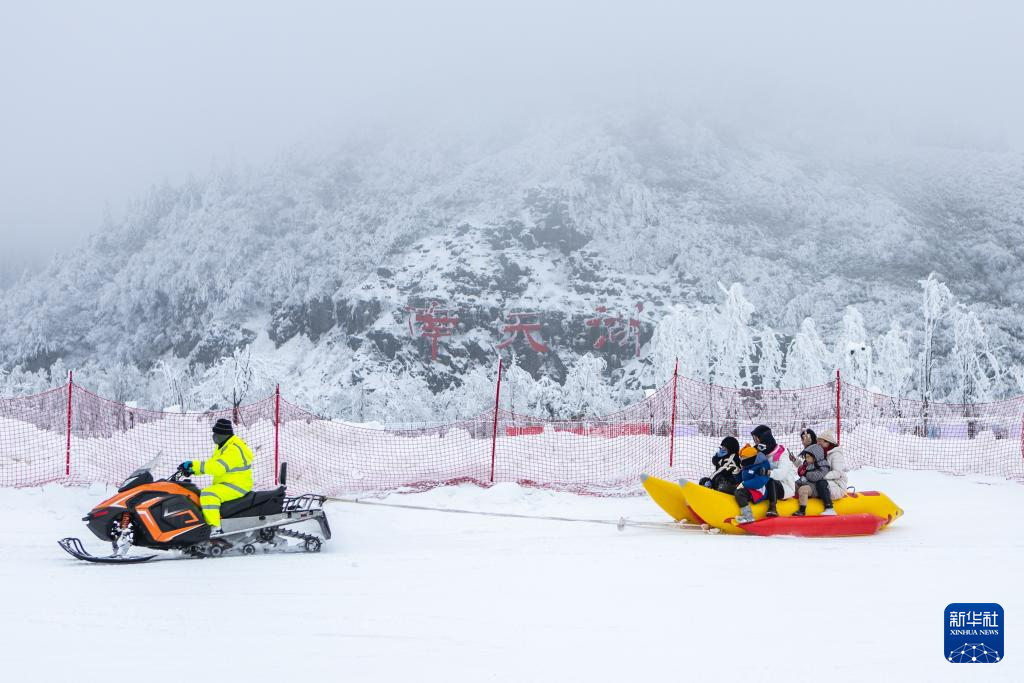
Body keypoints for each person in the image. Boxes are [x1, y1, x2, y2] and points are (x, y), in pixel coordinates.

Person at [178, 418, 255, 531]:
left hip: (237, 486)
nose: (214, 436)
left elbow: (217, 467)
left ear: (223, 434)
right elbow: (212, 465)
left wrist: (193, 466)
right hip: (228, 484)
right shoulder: (223, 447)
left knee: (208, 495)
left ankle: (214, 529)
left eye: (216, 433)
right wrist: (193, 470)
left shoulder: (234, 449)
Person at [750, 424, 793, 518]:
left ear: (764, 439)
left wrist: (768, 472)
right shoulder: (761, 451)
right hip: (766, 484)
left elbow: (782, 473)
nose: (756, 442)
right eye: (754, 440)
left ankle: (773, 507)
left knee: (768, 479)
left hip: (785, 486)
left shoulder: (782, 453)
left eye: (757, 439)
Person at [734, 443, 772, 523]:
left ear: (749, 458)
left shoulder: (761, 467)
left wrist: (744, 484)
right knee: (731, 488)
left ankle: (748, 516)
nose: (741, 460)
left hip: (758, 491)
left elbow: (759, 482)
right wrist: (736, 474)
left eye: (743, 458)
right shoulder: (748, 466)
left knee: (739, 493)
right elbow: (742, 479)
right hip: (749, 488)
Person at [792, 443, 831, 516]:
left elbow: (817, 476)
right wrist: (794, 460)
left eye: (808, 457)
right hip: (803, 482)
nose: (806, 459)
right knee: (791, 485)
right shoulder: (807, 463)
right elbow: (801, 466)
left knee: (803, 490)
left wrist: (806, 473)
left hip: (814, 487)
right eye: (806, 457)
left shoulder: (823, 465)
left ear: (815, 456)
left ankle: (802, 510)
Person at [817, 429, 848, 504]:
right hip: (828, 482)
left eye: (820, 442)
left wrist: (820, 476)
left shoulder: (836, 455)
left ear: (827, 442)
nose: (818, 444)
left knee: (820, 483)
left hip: (837, 485)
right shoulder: (823, 453)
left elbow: (837, 473)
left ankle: (829, 508)